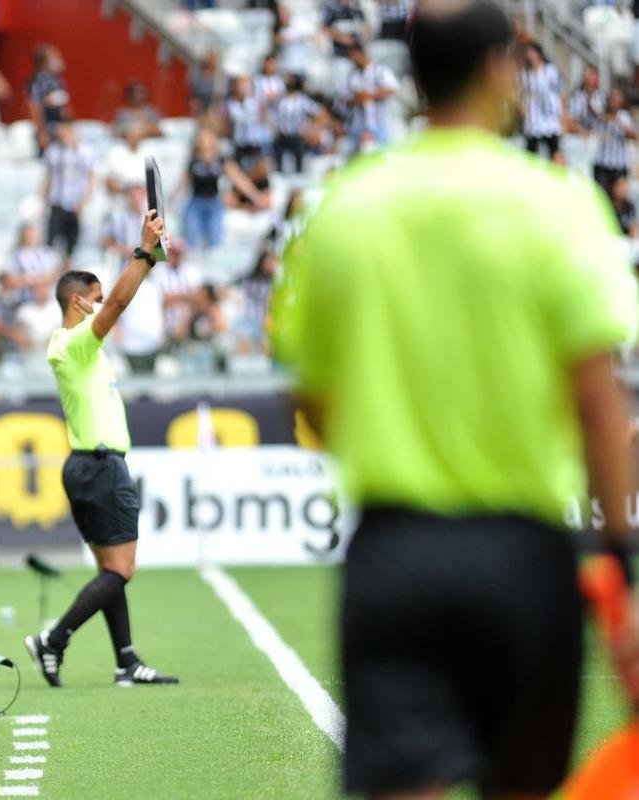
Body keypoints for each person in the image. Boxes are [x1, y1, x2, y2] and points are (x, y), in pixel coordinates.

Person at [276, 2, 639, 796]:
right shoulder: (555, 201)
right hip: (525, 554)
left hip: (395, 549)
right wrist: (620, 562)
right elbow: (598, 401)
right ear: (498, 69)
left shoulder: (348, 203)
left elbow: (313, 401)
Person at [24, 210, 179, 689]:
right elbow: (115, 304)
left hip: (88, 466)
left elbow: (112, 302)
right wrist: (142, 252)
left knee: (110, 569)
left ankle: (126, 661)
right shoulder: (73, 343)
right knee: (122, 569)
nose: (101, 304)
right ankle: (53, 639)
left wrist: (148, 260)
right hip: (99, 465)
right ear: (77, 301)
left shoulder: (75, 347)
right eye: (92, 297)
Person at [42, 121, 94, 260]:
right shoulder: (53, 151)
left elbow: (90, 177)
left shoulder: (85, 151)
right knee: (52, 238)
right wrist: (44, 200)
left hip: (76, 200)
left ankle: (69, 262)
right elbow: (49, 177)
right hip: (57, 199)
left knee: (72, 241)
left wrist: (84, 200)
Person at [519, 42, 562, 159]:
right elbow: (520, 94)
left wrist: (561, 113)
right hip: (533, 117)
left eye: (532, 52)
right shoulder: (525, 74)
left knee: (554, 150)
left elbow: (559, 92)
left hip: (549, 116)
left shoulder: (550, 71)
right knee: (531, 152)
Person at [593, 88, 636, 196]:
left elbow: (634, 135)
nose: (614, 102)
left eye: (617, 99)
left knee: (619, 197)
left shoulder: (625, 116)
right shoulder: (601, 117)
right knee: (602, 197)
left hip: (619, 166)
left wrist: (620, 125)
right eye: (612, 99)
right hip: (602, 164)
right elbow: (592, 132)